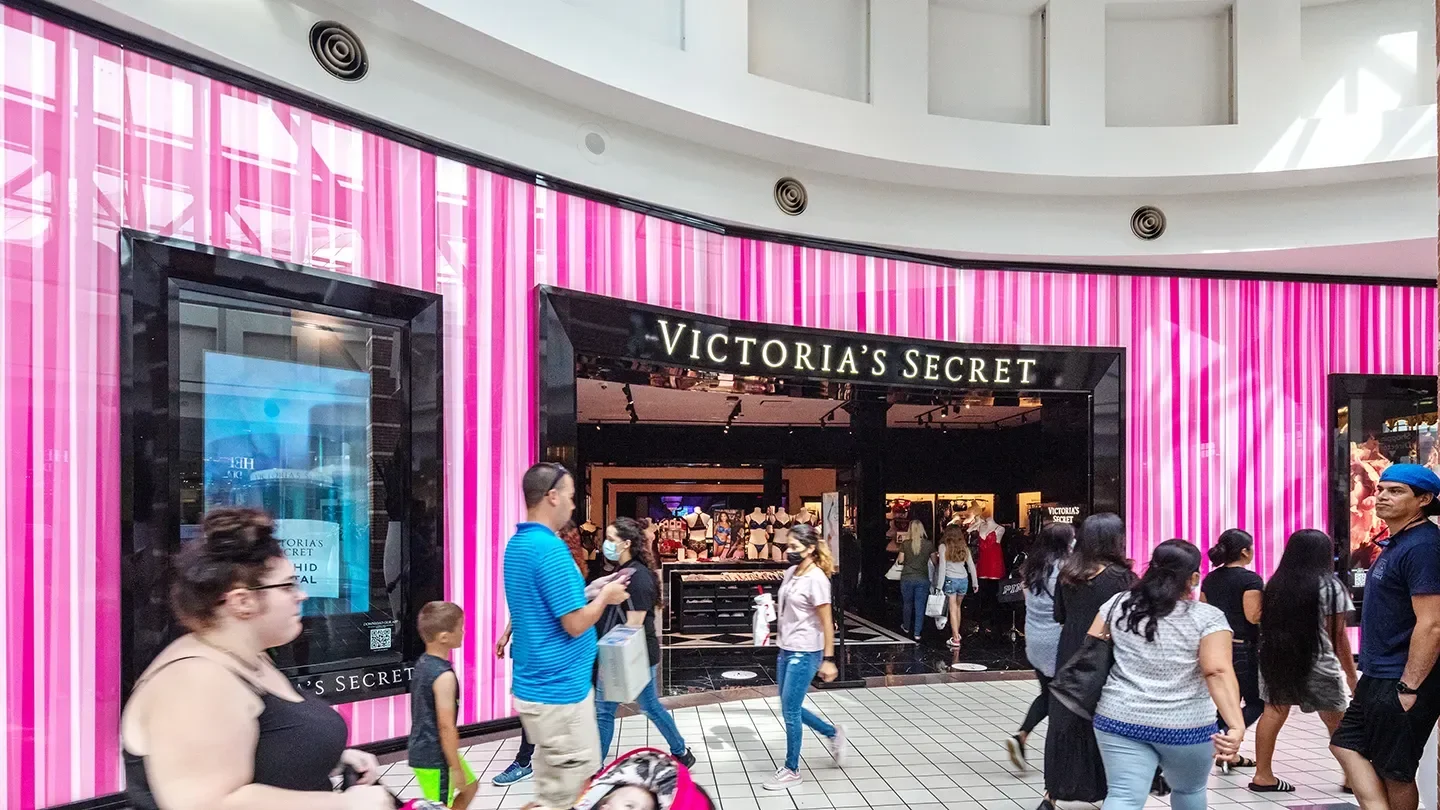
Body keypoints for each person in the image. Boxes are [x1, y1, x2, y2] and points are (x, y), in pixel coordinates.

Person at [121, 507, 390, 810]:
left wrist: (326, 755)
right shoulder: (195, 682)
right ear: (242, 601)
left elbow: (259, 745)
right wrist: (348, 806)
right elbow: (209, 803)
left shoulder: (247, 657)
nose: (301, 596)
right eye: (288, 586)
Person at [504, 462, 632, 810]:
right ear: (552, 496)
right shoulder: (551, 550)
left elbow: (545, 607)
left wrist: (591, 589)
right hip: (560, 694)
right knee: (568, 797)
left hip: (538, 689)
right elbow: (574, 624)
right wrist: (606, 598)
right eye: (572, 498)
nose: (575, 506)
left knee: (551, 794)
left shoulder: (518, 545)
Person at [1089, 539, 1245, 810]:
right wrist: (1236, 725)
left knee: (1124, 796)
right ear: (1194, 578)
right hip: (1186, 726)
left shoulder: (1118, 605)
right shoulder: (1208, 618)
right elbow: (1217, 671)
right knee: (1189, 791)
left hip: (1119, 718)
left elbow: (1092, 647)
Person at [1331, 463, 1440, 810]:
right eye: (1382, 489)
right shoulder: (1398, 542)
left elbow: (1432, 624)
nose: (1382, 497)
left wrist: (1409, 686)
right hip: (1379, 672)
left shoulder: (1423, 547)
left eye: (1396, 491)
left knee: (1397, 771)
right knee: (1346, 744)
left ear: (1423, 499)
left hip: (1401, 676)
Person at [1038, 512, 1136, 810]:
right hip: (1108, 655)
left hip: (1069, 652)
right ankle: (1105, 789)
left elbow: (1059, 616)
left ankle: (1052, 793)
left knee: (1064, 721)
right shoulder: (1124, 578)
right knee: (1105, 720)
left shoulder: (1068, 573)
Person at [1250, 529, 1358, 793]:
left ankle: (1263, 775)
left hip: (1276, 658)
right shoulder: (1331, 586)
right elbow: (1338, 636)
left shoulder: (1275, 583)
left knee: (1273, 713)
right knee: (1336, 718)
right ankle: (1351, 777)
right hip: (1317, 661)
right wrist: (1351, 675)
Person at [595, 518, 697, 766]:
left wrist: (609, 659)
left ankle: (594, 767)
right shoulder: (626, 571)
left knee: (623, 709)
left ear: (626, 543)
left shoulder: (638, 576)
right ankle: (681, 752)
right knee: (629, 708)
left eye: (611, 540)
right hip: (630, 654)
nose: (605, 545)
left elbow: (633, 625)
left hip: (633, 656)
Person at [762, 524, 849, 791]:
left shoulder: (817, 579)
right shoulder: (790, 573)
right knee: (791, 706)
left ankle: (792, 769)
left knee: (789, 710)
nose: (789, 551)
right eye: (787, 546)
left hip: (806, 650)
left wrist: (829, 658)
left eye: (794, 547)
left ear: (810, 549)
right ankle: (833, 733)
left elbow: (826, 622)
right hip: (785, 648)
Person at [1005, 521, 1074, 771]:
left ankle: (1021, 736)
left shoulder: (1032, 567)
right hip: (1059, 638)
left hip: (1034, 637)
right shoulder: (1066, 569)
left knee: (1047, 692)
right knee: (1064, 697)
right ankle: (1062, 756)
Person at [1199, 528, 1264, 770]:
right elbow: (1253, 616)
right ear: (1245, 551)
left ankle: (1230, 756)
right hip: (1242, 648)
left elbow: (1204, 612)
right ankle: (1225, 737)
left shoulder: (1210, 579)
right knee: (1257, 702)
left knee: (1227, 702)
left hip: (1216, 647)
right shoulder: (1250, 580)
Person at [410, 601, 478, 810]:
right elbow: (446, 727)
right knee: (439, 805)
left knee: (471, 787)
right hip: (434, 756)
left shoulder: (423, 662)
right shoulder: (444, 676)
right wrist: (455, 768)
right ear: (444, 637)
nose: (464, 631)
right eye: (461, 627)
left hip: (429, 748)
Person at [936, 525, 979, 649]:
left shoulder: (943, 547)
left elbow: (942, 568)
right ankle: (957, 634)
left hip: (950, 580)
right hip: (963, 580)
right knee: (958, 607)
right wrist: (975, 582)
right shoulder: (964, 547)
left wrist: (939, 586)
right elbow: (971, 566)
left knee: (952, 608)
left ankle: (955, 638)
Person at [896, 521, 936, 641]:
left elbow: (900, 561)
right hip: (923, 578)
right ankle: (917, 633)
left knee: (907, 603)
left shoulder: (905, 543)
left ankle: (906, 627)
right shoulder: (929, 544)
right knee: (920, 606)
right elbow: (935, 562)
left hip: (907, 578)